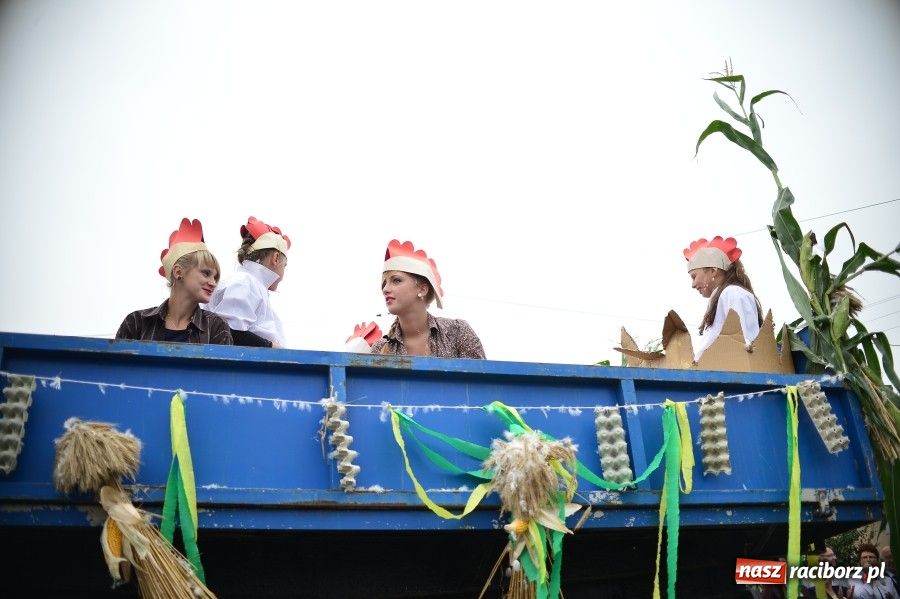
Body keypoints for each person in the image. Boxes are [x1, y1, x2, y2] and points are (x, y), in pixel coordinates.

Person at [116, 218, 232, 344]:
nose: (213, 283)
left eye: (215, 277)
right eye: (206, 273)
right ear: (178, 272)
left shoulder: (216, 327)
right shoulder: (136, 323)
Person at [370, 239, 485, 358]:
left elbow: (480, 375)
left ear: (422, 289)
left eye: (396, 280)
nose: (385, 289)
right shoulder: (379, 349)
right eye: (384, 284)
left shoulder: (458, 333)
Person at [205, 216, 290, 348]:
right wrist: (270, 346)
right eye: (285, 265)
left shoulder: (249, 283)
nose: (284, 272)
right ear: (276, 258)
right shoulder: (245, 283)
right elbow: (226, 332)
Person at [683, 236, 764, 362]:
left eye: (694, 276)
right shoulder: (722, 297)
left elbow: (745, 341)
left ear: (713, 271)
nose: (693, 285)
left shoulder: (733, 293)